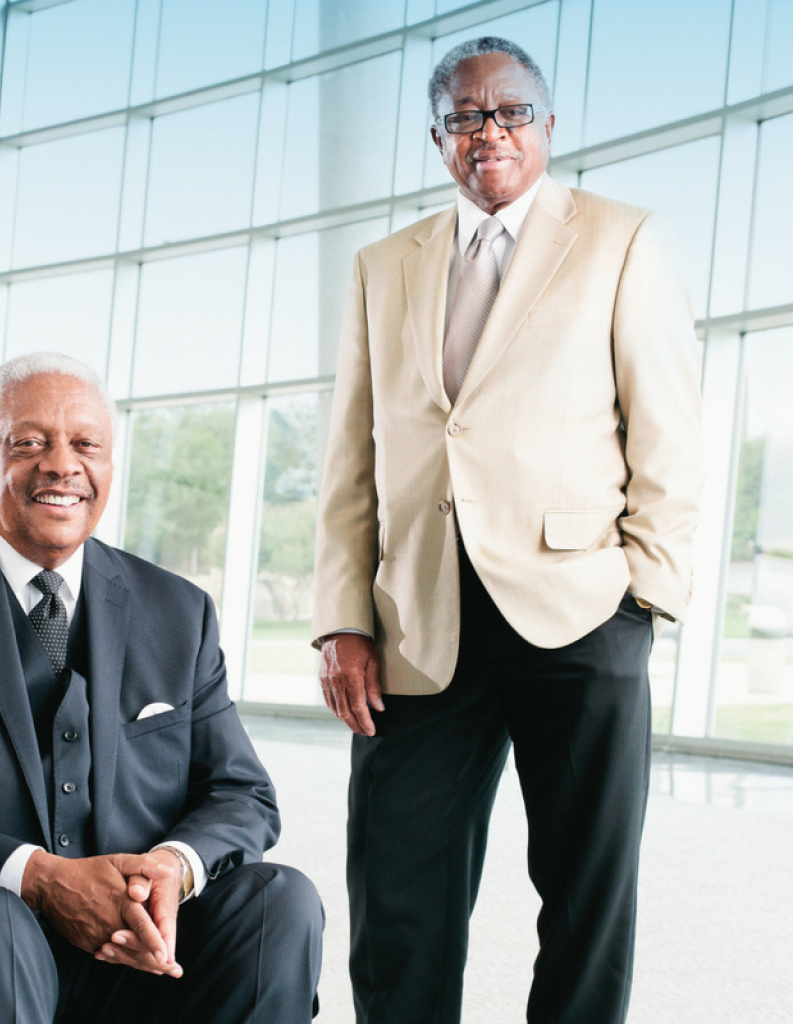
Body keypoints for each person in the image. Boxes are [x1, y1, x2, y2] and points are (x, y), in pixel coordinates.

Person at [312, 36, 703, 1024]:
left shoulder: (617, 238)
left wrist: (640, 599)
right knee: (396, 889)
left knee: (584, 894)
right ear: (437, 137)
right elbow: (350, 456)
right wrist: (339, 618)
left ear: (546, 125)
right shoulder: (381, 266)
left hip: (581, 613)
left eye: (509, 113)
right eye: (465, 117)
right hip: (417, 623)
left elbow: (667, 428)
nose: (489, 133)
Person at [0, 352, 323, 1024]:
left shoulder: (178, 609)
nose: (61, 465)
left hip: (147, 951)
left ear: (110, 464)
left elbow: (242, 793)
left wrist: (171, 868)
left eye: (86, 444)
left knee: (278, 899)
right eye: (29, 442)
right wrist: (39, 878)